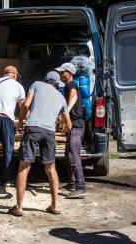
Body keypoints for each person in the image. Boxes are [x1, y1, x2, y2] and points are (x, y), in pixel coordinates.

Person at [10, 71, 72, 216]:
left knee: (24, 166)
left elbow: (25, 104)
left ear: (45, 80)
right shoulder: (62, 98)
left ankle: (19, 207)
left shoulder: (37, 84)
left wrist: (20, 122)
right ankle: (55, 206)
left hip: (33, 128)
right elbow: (68, 125)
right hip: (49, 132)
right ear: (57, 84)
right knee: (51, 167)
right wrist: (62, 128)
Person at [55, 62, 87, 198]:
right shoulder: (68, 86)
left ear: (70, 73)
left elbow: (73, 95)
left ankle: (81, 187)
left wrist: (66, 109)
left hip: (76, 125)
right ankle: (73, 183)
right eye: (60, 72)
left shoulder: (71, 85)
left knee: (74, 155)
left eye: (63, 72)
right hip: (73, 124)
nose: (61, 75)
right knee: (68, 155)